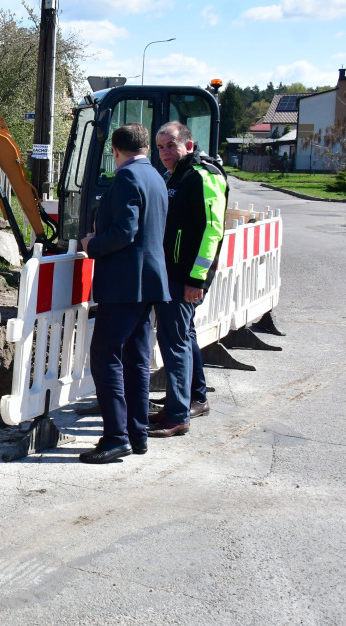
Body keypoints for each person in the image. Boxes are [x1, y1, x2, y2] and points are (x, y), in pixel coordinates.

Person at [79, 123, 169, 464]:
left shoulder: (127, 178)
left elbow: (125, 231)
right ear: (146, 147)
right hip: (147, 283)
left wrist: (92, 244)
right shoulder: (156, 177)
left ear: (115, 150)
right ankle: (136, 433)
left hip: (124, 283)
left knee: (106, 357)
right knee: (136, 361)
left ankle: (116, 437)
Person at [148, 122, 229, 437]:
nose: (165, 153)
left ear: (189, 146)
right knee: (184, 336)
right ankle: (194, 398)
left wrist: (198, 279)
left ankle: (177, 415)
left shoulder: (202, 176)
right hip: (172, 273)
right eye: (160, 147)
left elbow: (213, 231)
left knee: (175, 342)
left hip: (184, 277)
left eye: (171, 145)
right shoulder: (174, 175)